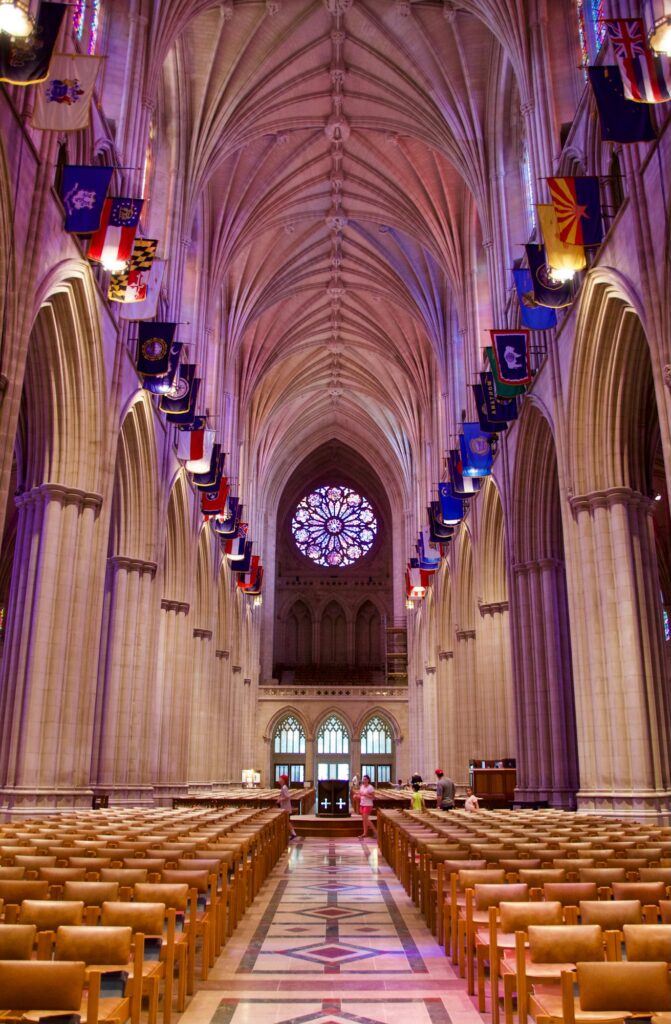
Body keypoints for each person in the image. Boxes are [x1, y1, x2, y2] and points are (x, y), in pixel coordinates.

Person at [277, 774, 297, 839]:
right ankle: (291, 833)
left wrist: (280, 800)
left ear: (283, 780)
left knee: (287, 821)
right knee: (286, 821)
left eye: (280, 778)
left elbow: (287, 796)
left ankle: (293, 833)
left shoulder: (284, 787)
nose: (279, 780)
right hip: (284, 807)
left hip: (286, 807)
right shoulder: (283, 787)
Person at [358, 774, 376, 839]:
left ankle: (375, 832)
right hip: (362, 804)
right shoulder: (362, 786)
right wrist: (357, 796)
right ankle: (364, 833)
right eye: (363, 779)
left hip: (368, 804)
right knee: (364, 820)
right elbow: (360, 795)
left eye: (365, 779)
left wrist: (366, 795)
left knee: (366, 819)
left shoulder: (370, 787)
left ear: (368, 780)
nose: (364, 780)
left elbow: (373, 797)